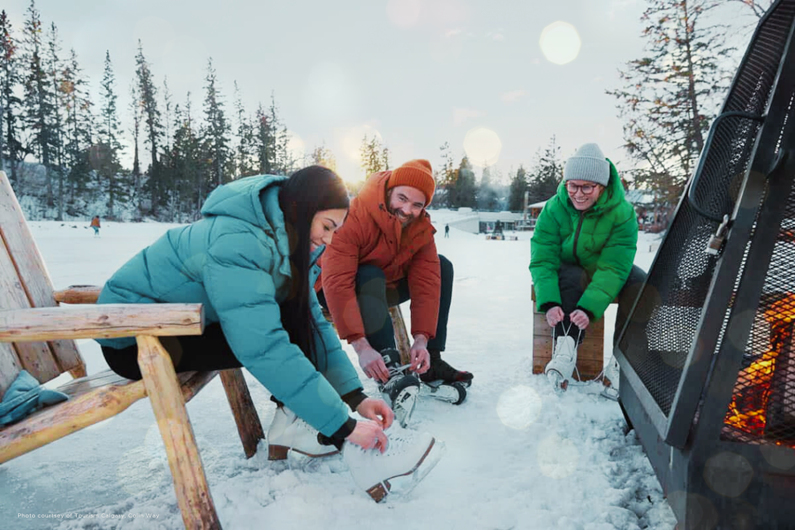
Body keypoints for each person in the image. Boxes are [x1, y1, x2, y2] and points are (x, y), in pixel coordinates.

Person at [95, 166, 443, 502]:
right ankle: (347, 444)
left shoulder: (291, 240)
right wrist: (344, 427)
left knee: (294, 320)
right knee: (271, 336)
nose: (329, 239)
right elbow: (262, 345)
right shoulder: (239, 239)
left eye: (337, 229)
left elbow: (311, 324)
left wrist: (355, 398)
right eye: (327, 225)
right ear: (301, 209)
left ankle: (306, 420)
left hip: (182, 326)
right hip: (134, 337)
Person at [319, 159, 473, 425]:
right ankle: (389, 368)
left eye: (417, 204)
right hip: (335, 290)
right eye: (402, 198)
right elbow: (336, 281)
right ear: (389, 189)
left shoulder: (420, 227)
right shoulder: (353, 214)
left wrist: (422, 339)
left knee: (441, 267)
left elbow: (426, 282)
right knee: (370, 273)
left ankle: (431, 361)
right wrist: (360, 344)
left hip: (381, 288)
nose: (407, 209)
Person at [529, 143, 645, 394]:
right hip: (569, 267)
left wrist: (588, 307)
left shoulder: (622, 213)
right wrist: (548, 303)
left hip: (606, 267)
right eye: (572, 185)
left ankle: (622, 364)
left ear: (602, 186)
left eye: (587, 187)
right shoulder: (553, 208)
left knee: (640, 284)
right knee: (570, 275)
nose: (578, 194)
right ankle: (565, 349)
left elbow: (614, 267)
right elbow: (543, 258)